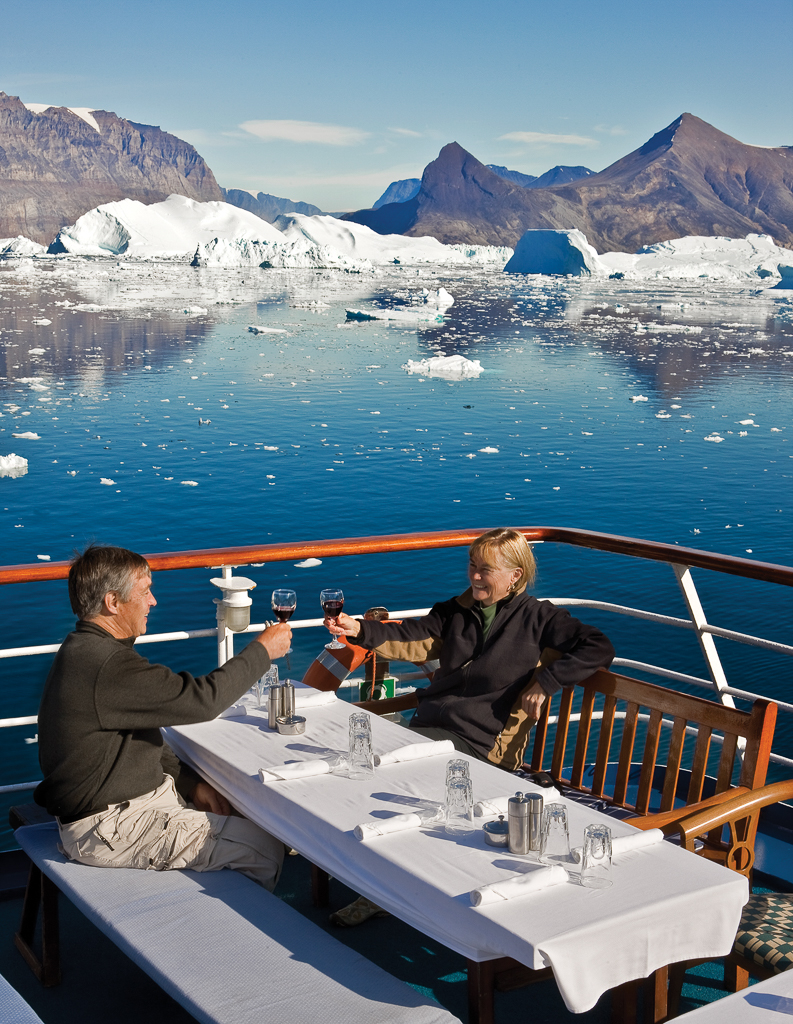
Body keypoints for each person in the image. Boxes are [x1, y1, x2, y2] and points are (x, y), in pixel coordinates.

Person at [35, 544, 291, 890]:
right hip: (109, 826)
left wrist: (189, 784)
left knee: (254, 814)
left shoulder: (88, 649)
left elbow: (144, 735)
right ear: (113, 602)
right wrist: (263, 651)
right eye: (144, 592)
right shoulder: (106, 665)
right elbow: (202, 701)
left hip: (126, 805)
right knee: (265, 846)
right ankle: (219, 933)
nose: (153, 601)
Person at [326, 527, 615, 770]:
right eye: (472, 565)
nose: (474, 576)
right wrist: (359, 629)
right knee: (346, 752)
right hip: (431, 725)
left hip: (481, 745)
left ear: (515, 575)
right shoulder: (456, 610)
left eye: (485, 570)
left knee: (370, 764)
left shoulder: (540, 619)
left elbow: (599, 647)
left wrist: (546, 682)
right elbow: (412, 637)